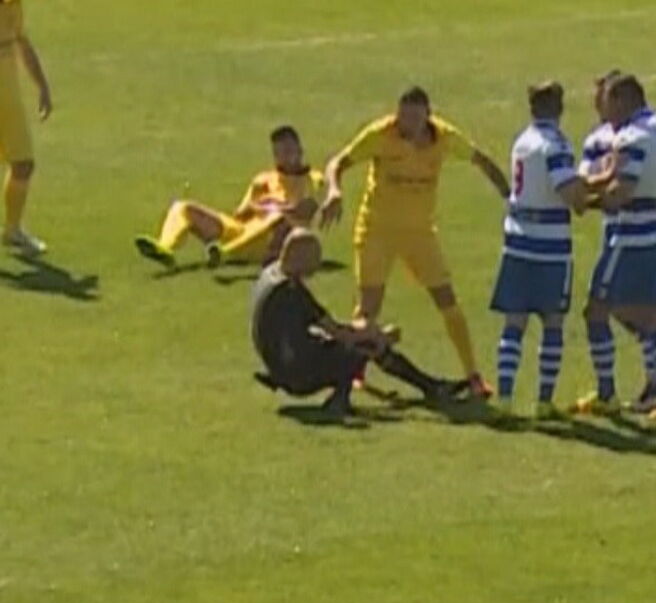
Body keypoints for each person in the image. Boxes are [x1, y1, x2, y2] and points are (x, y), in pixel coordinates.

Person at [320, 86, 511, 399]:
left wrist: (509, 195)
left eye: (413, 117)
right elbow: (338, 162)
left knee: (447, 300)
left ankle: (474, 376)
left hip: (420, 235)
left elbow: (481, 161)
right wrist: (333, 190)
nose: (405, 124)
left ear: (427, 116)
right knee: (368, 309)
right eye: (402, 116)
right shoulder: (381, 134)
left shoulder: (445, 137)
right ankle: (354, 372)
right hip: (376, 231)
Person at [574, 73, 656, 429]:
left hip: (632, 235)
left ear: (623, 100)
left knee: (596, 312)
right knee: (653, 316)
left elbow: (621, 192)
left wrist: (583, 201)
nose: (603, 110)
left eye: (607, 102)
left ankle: (607, 393)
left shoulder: (632, 136)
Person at [251, 228, 469, 414]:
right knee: (364, 345)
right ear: (299, 257)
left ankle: (431, 386)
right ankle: (341, 400)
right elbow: (339, 332)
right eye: (313, 259)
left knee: (362, 339)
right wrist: (381, 335)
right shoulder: (292, 292)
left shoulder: (271, 275)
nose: (316, 266)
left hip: (280, 365)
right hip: (295, 375)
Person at [491, 81, 600, 418]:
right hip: (549, 246)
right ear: (560, 107)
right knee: (552, 324)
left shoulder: (522, 142)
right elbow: (569, 193)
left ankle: (505, 398)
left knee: (514, 325)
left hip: (517, 240)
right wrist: (598, 191)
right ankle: (543, 401)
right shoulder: (556, 145)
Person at [134, 126, 322, 270]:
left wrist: (275, 207)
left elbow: (308, 211)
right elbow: (240, 215)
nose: (285, 157)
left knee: (278, 216)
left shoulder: (313, 179)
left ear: (300, 149)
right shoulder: (263, 179)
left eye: (289, 150)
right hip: (242, 234)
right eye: (279, 153)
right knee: (183, 207)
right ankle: (165, 248)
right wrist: (254, 206)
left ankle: (225, 253)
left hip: (272, 245)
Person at [0, 0, 52, 256]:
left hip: (8, 101)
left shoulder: (13, 5)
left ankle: (12, 230)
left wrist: (42, 86)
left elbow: (22, 43)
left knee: (23, 164)